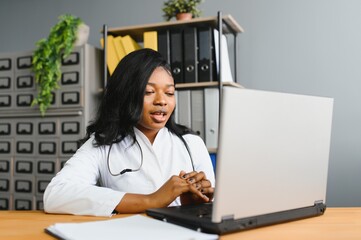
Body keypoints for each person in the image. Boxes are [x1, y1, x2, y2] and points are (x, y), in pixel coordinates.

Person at [44, 48, 215, 216]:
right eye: (149, 91)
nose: (162, 101)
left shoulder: (192, 144)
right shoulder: (103, 144)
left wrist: (193, 204)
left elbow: (215, 208)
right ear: (126, 94)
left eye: (169, 92)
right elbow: (56, 194)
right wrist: (151, 200)